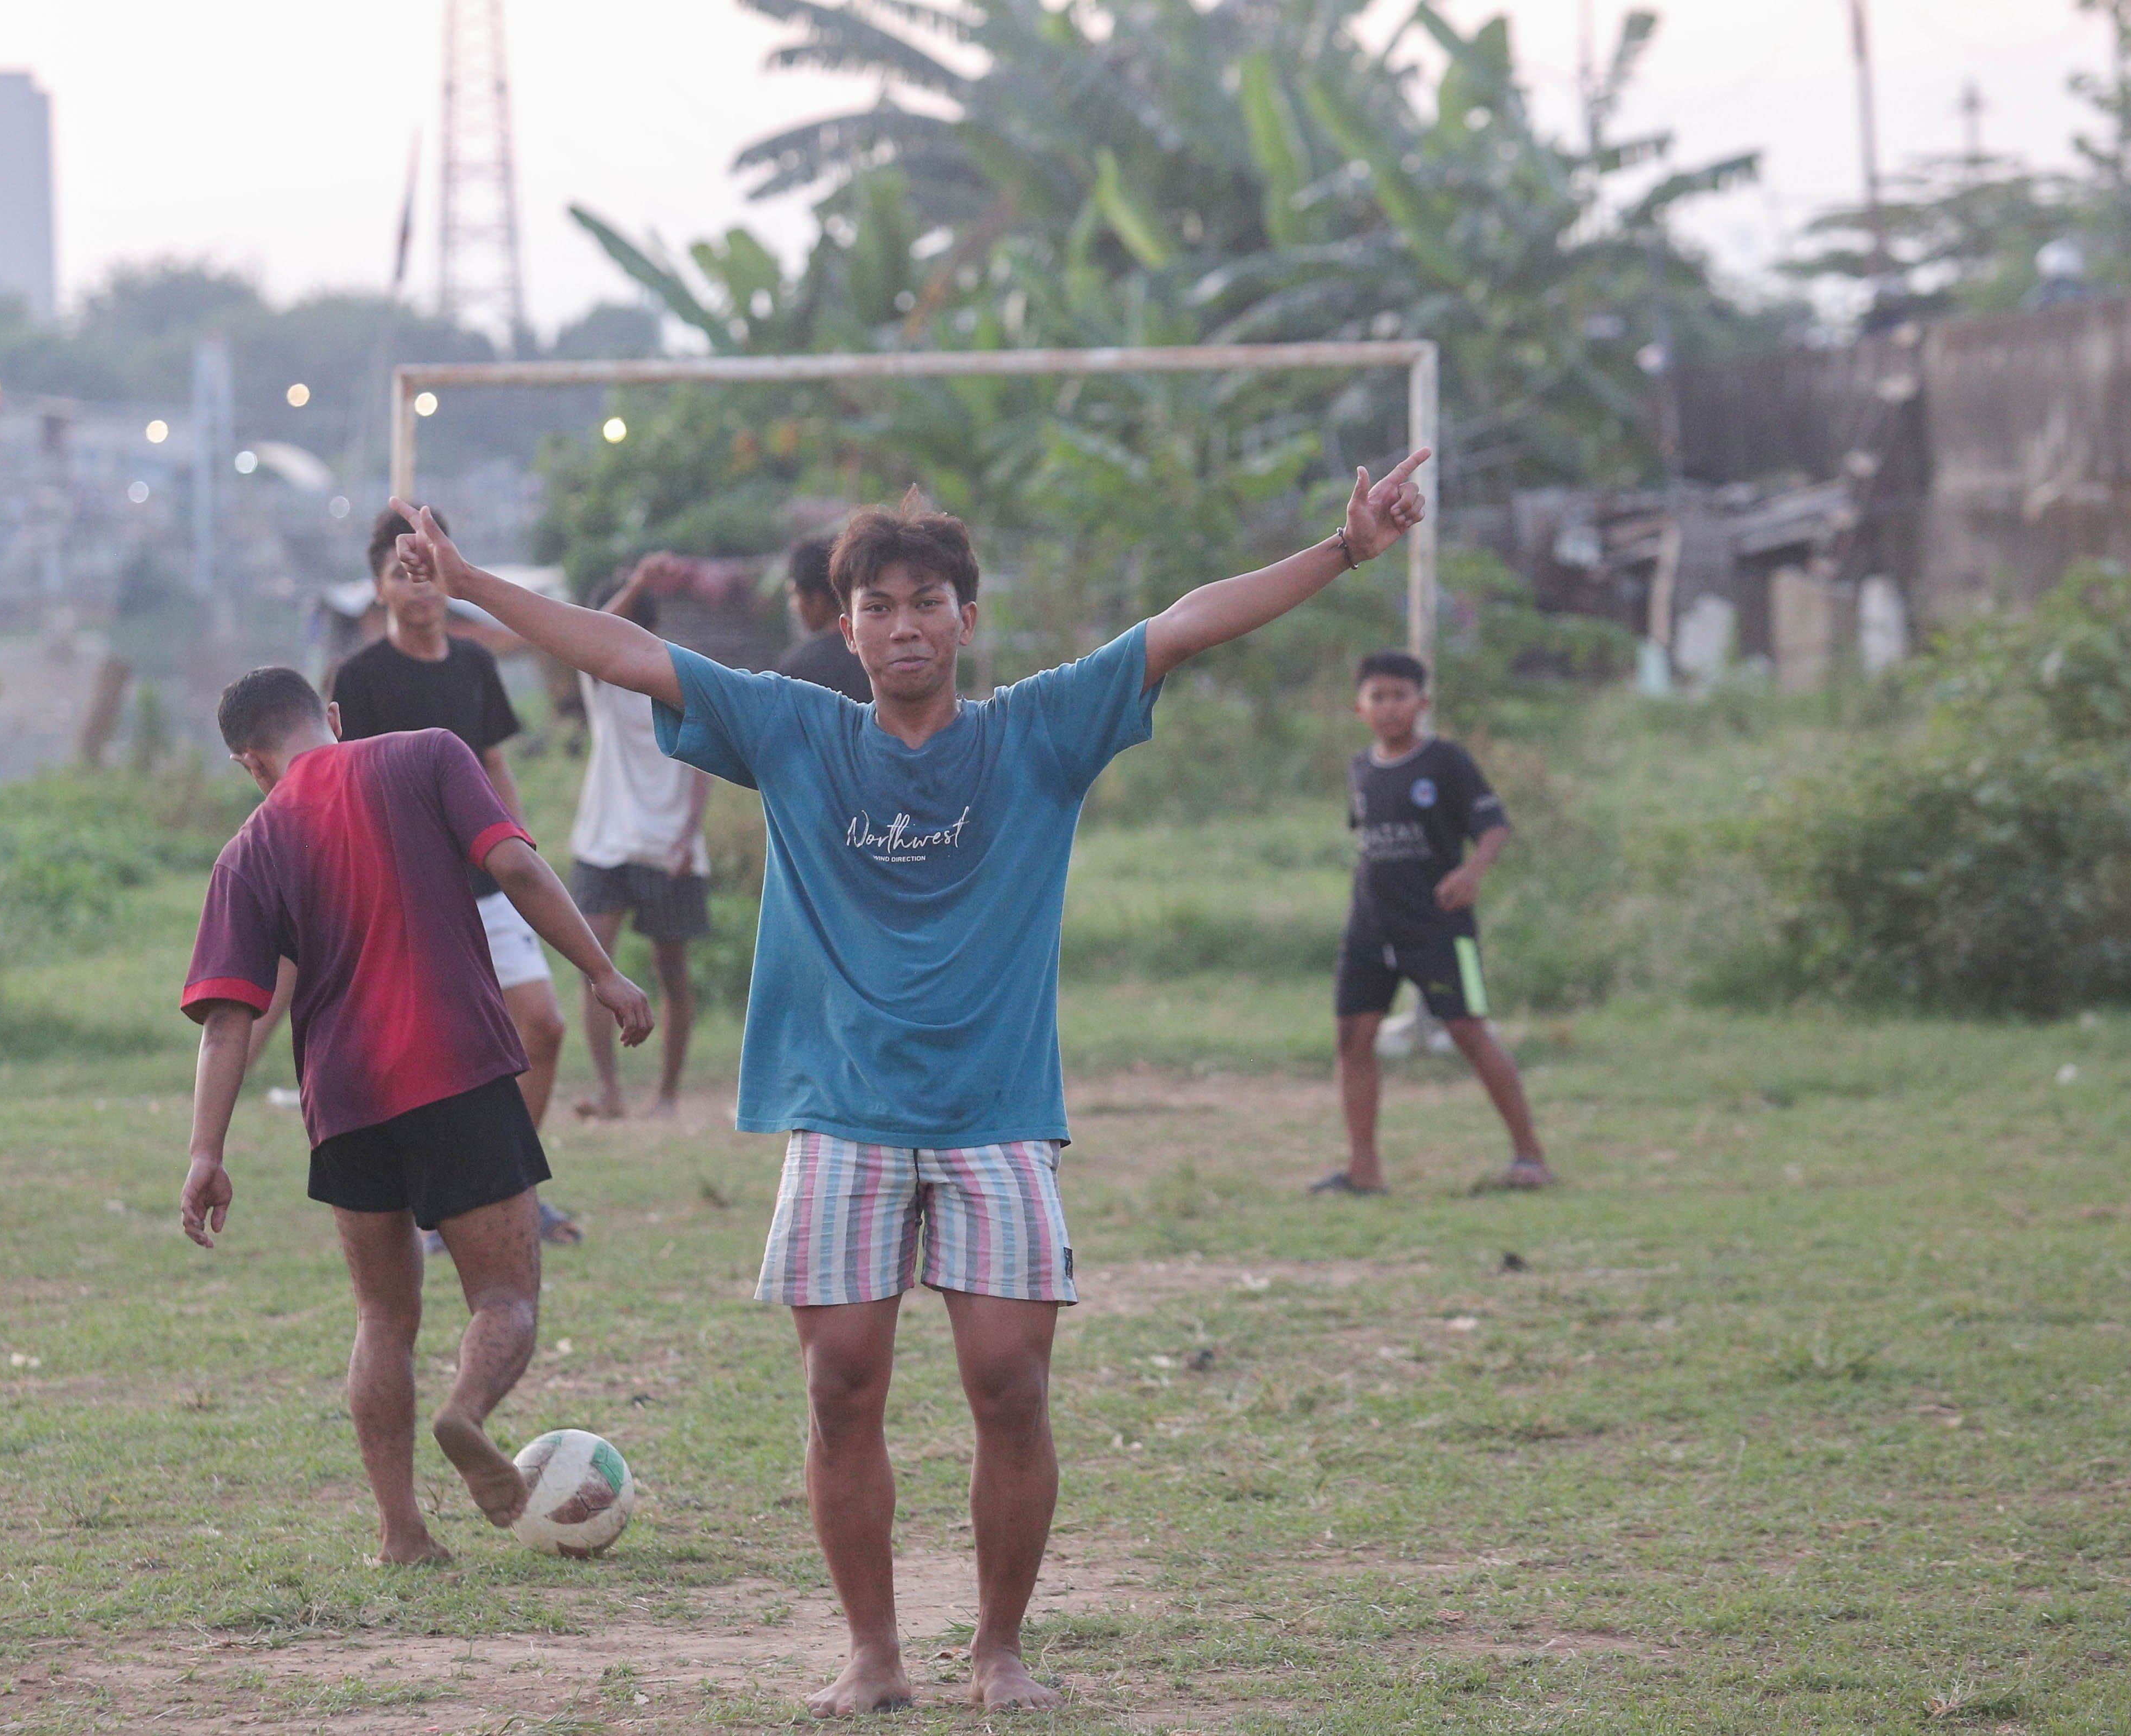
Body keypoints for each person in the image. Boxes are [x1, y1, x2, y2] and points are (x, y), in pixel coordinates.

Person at [384, 449, 1429, 1715]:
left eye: (927, 601)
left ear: (965, 620)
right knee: (840, 1388)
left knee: (1011, 1382)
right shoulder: (796, 729)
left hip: (994, 1115)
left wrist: (1344, 549)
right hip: (844, 1114)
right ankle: (872, 1653)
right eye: (875, 604)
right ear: (845, 625)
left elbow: (1184, 623)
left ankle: (997, 1648)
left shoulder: (1039, 730)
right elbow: (618, 651)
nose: (903, 623)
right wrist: (471, 576)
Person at [177, 668, 652, 1563]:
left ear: (250, 762)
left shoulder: (247, 849)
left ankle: (401, 1534)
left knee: (382, 1319)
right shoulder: (428, 755)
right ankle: (465, 1413)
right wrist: (602, 972)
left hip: (345, 1102)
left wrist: (205, 1151)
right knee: (504, 1297)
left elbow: (228, 1020)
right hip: (459, 1071)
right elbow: (513, 863)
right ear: (330, 719)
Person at [263, 506, 584, 1246]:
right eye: (399, 575)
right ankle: (437, 1207)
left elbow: (495, 763)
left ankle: (513, 1192)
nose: (418, 588)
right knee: (434, 1053)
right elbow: (342, 784)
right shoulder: (360, 677)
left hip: (487, 883)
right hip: (409, 899)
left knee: (542, 1025)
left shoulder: (474, 664)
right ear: (378, 590)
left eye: (428, 571)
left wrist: (519, 851)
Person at [1309, 651, 1552, 1198]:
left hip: (1438, 927)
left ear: (1422, 703)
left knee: (1468, 1030)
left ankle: (1530, 1157)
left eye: (1401, 696)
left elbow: (1493, 826)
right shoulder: (1361, 769)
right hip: (1371, 927)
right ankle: (1364, 1171)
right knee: (1353, 1039)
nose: (1390, 707)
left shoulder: (1446, 762)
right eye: (1379, 697)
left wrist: (1471, 873)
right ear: (1359, 708)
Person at [567, 556, 714, 1120]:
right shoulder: (600, 681)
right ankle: (611, 1093)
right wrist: (635, 585)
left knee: (671, 972)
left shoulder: (678, 676)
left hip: (670, 848)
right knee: (595, 965)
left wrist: (687, 835)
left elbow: (702, 761)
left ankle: (669, 1095)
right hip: (605, 841)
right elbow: (589, 629)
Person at [774, 533, 872, 700]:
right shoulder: (878, 655)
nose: (793, 606)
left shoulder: (796, 669)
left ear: (817, 600)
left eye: (795, 595)